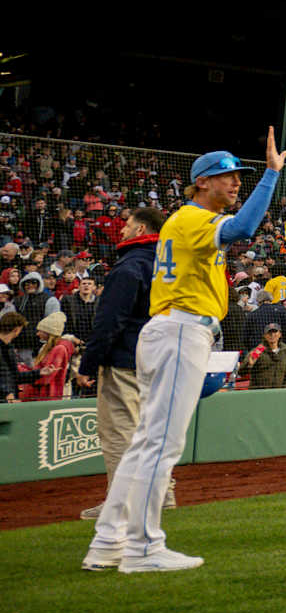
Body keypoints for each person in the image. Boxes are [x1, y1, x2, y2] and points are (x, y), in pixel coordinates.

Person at [84, 129, 286, 573]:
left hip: (173, 330)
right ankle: (142, 548)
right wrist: (270, 176)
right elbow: (245, 227)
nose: (235, 183)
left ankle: (107, 542)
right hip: (179, 330)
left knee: (144, 442)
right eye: (226, 176)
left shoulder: (191, 221)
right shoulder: (193, 218)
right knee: (161, 443)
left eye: (239, 177)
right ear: (201, 183)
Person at [78, 207, 171, 520]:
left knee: (120, 432)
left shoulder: (129, 266)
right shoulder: (172, 264)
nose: (121, 230)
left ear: (141, 228)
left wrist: (88, 365)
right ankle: (163, 493)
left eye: (127, 225)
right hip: (163, 359)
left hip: (127, 360)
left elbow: (109, 323)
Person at [27, 311, 77, 399]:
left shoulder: (59, 349)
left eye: (40, 331)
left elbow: (47, 377)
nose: (37, 334)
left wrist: (27, 376)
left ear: (48, 332)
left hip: (54, 394)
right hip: (47, 393)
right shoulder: (45, 347)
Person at [240, 322, 286, 388]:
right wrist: (250, 365)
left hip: (279, 393)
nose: (272, 335)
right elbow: (241, 372)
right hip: (260, 393)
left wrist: (284, 390)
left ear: (280, 334)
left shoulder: (285, 351)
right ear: (265, 336)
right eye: (269, 333)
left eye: (275, 332)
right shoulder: (258, 350)